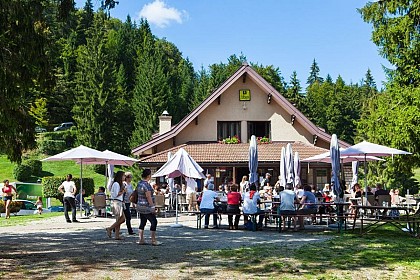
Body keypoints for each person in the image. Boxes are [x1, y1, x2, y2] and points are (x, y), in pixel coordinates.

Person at [136, 169, 161, 246]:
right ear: (148, 176)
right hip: (146, 206)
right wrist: (152, 206)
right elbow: (148, 196)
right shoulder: (146, 185)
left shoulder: (139, 183)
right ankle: (153, 240)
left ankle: (141, 239)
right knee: (154, 221)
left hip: (140, 205)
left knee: (143, 222)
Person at [106, 171, 126, 240]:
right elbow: (116, 194)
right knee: (120, 219)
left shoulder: (118, 184)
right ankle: (111, 229)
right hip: (117, 202)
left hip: (119, 202)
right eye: (123, 176)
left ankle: (115, 233)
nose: (124, 177)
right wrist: (123, 191)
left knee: (121, 219)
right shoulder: (116, 184)